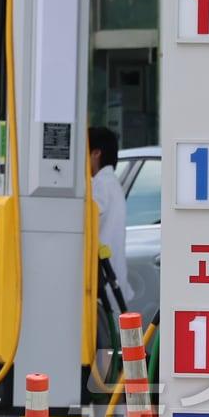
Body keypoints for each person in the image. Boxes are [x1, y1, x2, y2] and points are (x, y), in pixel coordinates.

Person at [89, 126, 130, 298]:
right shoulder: (109, 183)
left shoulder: (102, 185)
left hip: (104, 279)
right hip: (109, 276)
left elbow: (86, 219)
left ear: (96, 153)